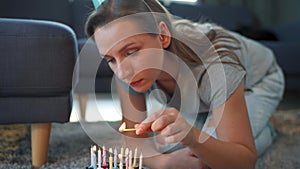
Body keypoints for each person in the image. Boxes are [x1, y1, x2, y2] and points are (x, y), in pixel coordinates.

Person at [85, 0, 285, 168]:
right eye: (110, 59)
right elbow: (134, 139)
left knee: (207, 158)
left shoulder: (217, 67)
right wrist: (165, 162)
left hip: (260, 79)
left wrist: (192, 137)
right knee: (169, 144)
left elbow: (244, 161)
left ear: (162, 36)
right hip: (201, 94)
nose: (122, 72)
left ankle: (267, 125)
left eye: (131, 52)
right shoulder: (128, 69)